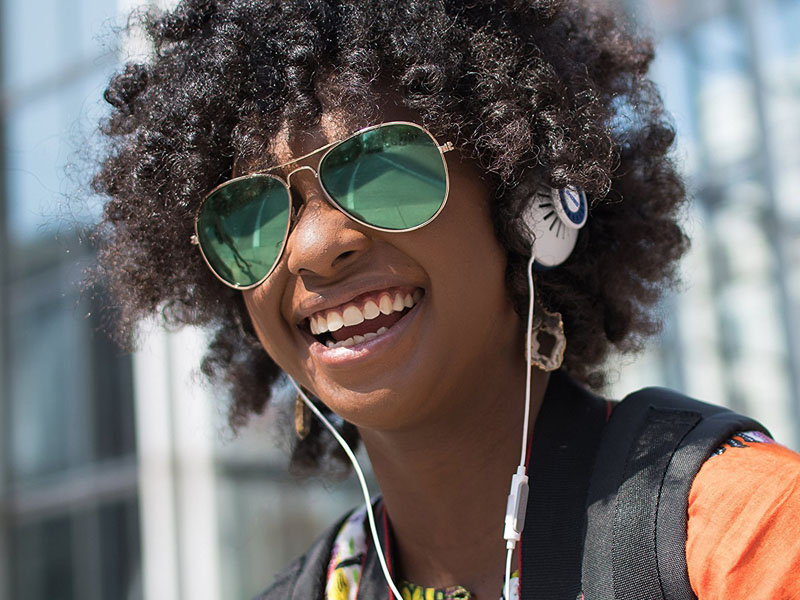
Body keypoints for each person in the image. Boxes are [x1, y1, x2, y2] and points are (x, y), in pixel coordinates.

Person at [91, 0, 800, 598]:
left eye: (381, 169)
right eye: (249, 214)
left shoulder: (745, 530)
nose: (311, 247)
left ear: (526, 205)